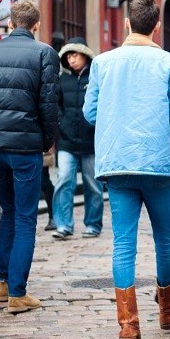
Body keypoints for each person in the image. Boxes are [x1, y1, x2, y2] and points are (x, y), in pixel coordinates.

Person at [83, 0, 170, 339]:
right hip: (158, 162)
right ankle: (168, 309)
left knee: (123, 243)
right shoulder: (169, 63)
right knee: (166, 239)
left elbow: (90, 113)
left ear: (127, 23)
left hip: (118, 161)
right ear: (156, 27)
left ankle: (128, 326)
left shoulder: (102, 63)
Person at [0, 0, 59, 314]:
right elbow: (49, 105)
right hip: (25, 147)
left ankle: (4, 282)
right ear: (36, 25)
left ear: (9, 23)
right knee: (25, 217)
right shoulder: (44, 54)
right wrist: (47, 142)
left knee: (8, 212)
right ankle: (17, 293)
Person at [51, 37, 104, 240]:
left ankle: (93, 224)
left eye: (74, 55)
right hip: (66, 141)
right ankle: (63, 225)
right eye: (68, 57)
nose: (71, 60)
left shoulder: (96, 78)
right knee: (64, 180)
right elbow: (57, 106)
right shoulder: (62, 80)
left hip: (91, 141)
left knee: (93, 185)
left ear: (85, 55)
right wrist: (60, 125)